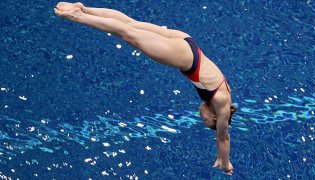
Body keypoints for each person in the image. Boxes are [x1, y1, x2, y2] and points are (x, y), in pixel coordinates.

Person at [54, 2, 235, 175]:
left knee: (132, 24)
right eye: (205, 121)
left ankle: (83, 9)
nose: (201, 117)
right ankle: (77, 16)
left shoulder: (221, 96)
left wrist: (220, 157)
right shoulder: (221, 104)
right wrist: (226, 164)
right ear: (214, 116)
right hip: (186, 57)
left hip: (187, 42)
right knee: (128, 34)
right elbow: (223, 137)